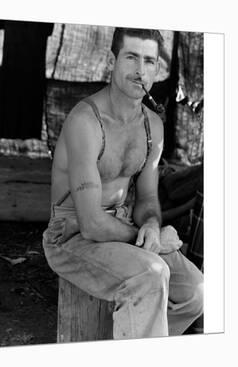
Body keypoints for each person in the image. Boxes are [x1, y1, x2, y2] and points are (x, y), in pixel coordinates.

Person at [42, 27, 203, 339]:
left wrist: (153, 226)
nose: (140, 70)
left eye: (149, 61)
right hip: (72, 237)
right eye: (131, 58)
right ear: (111, 61)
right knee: (150, 275)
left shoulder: (151, 125)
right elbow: (89, 225)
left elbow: (146, 199)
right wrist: (147, 239)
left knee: (196, 292)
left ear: (158, 68)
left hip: (122, 225)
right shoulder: (85, 122)